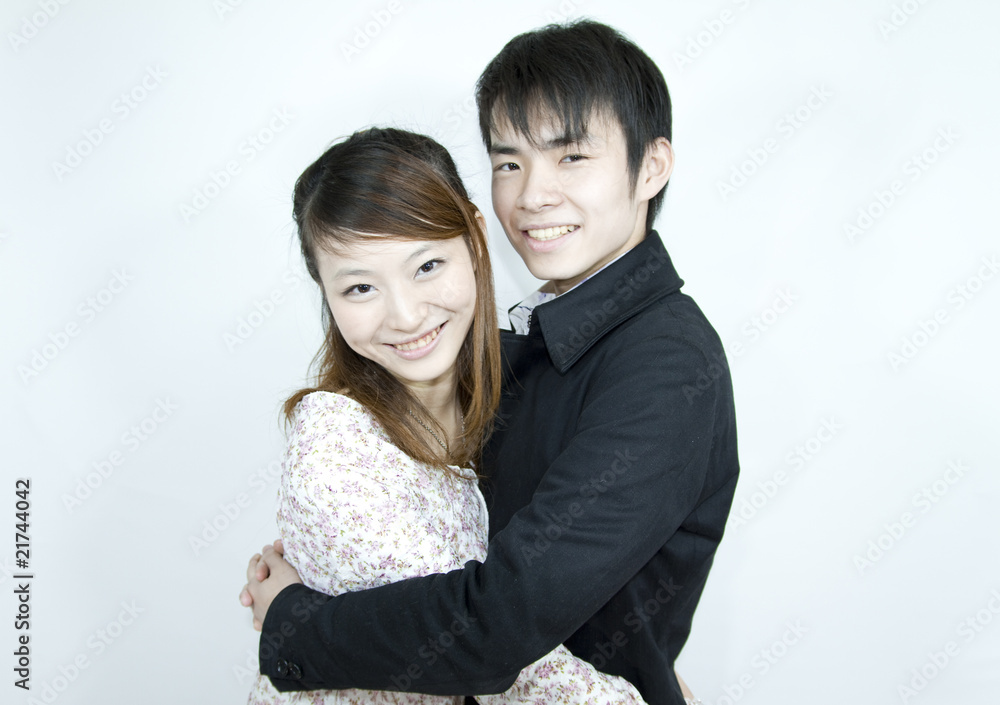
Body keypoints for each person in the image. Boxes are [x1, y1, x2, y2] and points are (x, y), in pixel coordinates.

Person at [243, 19, 736, 705]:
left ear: (651, 167)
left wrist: (296, 628)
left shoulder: (665, 365)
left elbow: (502, 622)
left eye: (571, 156)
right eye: (509, 163)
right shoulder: (519, 347)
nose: (533, 195)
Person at [244, 126, 652, 703]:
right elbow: (498, 659)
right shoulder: (335, 451)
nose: (406, 316)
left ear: (476, 241)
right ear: (326, 297)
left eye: (427, 265)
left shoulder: (514, 391)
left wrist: (653, 669)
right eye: (359, 288)